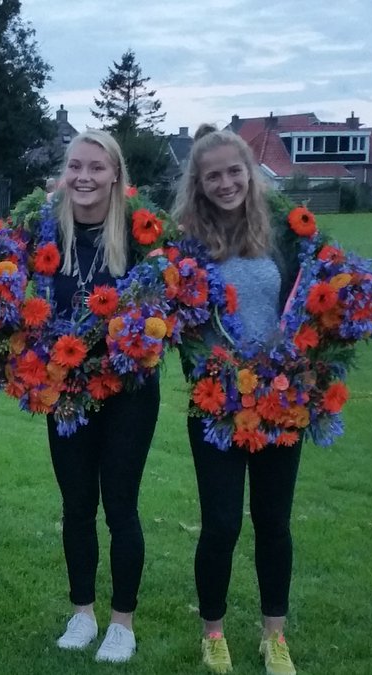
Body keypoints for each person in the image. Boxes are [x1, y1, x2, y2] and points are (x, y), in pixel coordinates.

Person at [170, 124, 301, 675]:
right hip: (217, 407)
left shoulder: (283, 236)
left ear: (249, 173)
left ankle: (275, 636)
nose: (225, 183)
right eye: (213, 176)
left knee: (273, 521)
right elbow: (180, 327)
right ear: (198, 184)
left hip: (279, 403)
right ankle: (214, 633)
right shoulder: (185, 244)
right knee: (221, 524)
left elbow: (300, 312)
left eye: (233, 172)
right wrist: (220, 377)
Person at [33, 129, 161, 663]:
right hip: (65, 394)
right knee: (77, 506)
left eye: (96, 167)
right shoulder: (44, 234)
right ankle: (83, 613)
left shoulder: (141, 238)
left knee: (121, 508)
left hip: (128, 392)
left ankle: (122, 624)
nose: (84, 177)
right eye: (75, 167)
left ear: (115, 176)